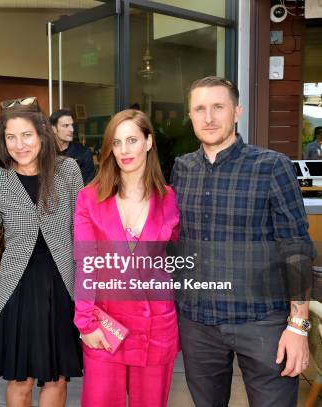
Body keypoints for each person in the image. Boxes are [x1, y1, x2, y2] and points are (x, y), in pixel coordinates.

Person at [171, 76, 316, 407]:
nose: (209, 117)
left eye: (218, 107)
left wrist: (298, 326)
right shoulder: (182, 169)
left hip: (262, 321)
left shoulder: (272, 166)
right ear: (190, 116)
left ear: (237, 112)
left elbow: (297, 248)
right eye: (200, 109)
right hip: (198, 323)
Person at [73, 109, 180, 407]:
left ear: (148, 142)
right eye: (116, 142)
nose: (123, 150)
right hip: (107, 325)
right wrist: (85, 322)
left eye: (132, 140)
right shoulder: (90, 198)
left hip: (156, 325)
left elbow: (177, 255)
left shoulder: (169, 198)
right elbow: (85, 263)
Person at [0, 98, 83, 406]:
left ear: (42, 134)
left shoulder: (68, 170)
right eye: (10, 137)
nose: (19, 144)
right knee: (20, 380)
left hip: (62, 284)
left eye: (26, 135)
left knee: (57, 378)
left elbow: (82, 231)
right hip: (17, 289)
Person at [50, 108, 95, 184]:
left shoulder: (83, 153)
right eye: (66, 126)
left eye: (72, 125)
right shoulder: (44, 152)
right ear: (54, 129)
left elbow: (88, 185)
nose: (72, 129)